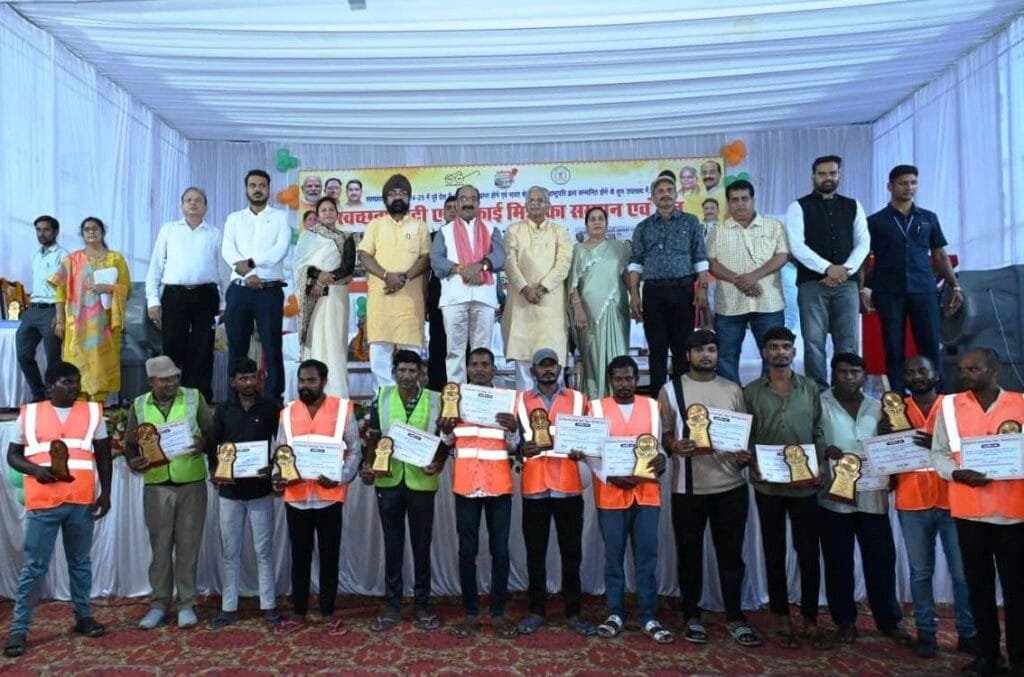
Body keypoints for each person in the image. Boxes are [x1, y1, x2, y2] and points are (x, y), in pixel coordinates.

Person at [658, 329, 760, 647]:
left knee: (731, 557)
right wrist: (674, 445)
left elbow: (742, 436)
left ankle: (735, 617)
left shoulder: (733, 389)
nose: (707, 355)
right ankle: (691, 616)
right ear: (688, 355)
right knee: (689, 556)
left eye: (712, 350)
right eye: (700, 350)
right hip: (688, 488)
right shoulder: (671, 389)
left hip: (731, 486)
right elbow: (664, 434)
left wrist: (744, 456)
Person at [3, 362, 111, 658]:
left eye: (76, 381)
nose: (75, 387)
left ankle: (83, 616)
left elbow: (104, 455)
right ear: (50, 386)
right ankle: (19, 629)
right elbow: (13, 456)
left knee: (80, 562)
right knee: (34, 567)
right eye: (67, 382)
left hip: (80, 500)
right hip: (43, 501)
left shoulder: (92, 413)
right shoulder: (29, 414)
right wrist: (35, 470)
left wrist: (106, 493)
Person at [930, 348, 1024, 676]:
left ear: (994, 370)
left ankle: (1019, 659)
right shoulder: (950, 406)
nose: (965, 374)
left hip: (1014, 515)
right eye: (962, 369)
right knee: (978, 589)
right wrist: (957, 473)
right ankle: (988, 656)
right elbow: (938, 454)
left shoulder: (1020, 404)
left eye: (974, 369)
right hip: (969, 515)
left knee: (1017, 592)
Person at [743, 326, 830, 649]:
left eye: (785, 346)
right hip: (768, 486)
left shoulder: (810, 388)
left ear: (794, 352)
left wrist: (820, 463)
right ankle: (781, 616)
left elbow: (819, 429)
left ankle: (810, 618)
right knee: (774, 551)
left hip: (805, 485)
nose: (780, 352)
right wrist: (752, 461)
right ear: (764, 352)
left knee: (808, 552)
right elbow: (746, 435)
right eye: (773, 346)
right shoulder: (751, 392)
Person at [884, 355, 975, 658]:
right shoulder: (894, 408)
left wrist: (938, 443)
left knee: (961, 573)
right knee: (920, 573)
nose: (917, 376)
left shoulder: (954, 405)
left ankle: (968, 633)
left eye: (922, 370)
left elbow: (970, 444)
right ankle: (926, 632)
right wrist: (884, 442)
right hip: (912, 502)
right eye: (910, 372)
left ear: (935, 374)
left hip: (952, 500)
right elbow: (885, 455)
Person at [818, 353, 909, 644]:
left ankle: (889, 620)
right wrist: (823, 449)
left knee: (881, 561)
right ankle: (844, 621)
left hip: (873, 496)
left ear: (863, 375)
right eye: (843, 371)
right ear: (833, 373)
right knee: (838, 563)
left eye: (855, 372)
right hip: (834, 498)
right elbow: (810, 437)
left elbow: (892, 445)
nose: (849, 377)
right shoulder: (819, 403)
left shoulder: (878, 406)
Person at [360, 350, 451, 632]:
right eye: (402, 370)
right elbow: (375, 435)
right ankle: (392, 605)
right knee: (393, 545)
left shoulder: (436, 399)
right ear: (394, 372)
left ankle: (422, 605)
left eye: (412, 371)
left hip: (422, 482)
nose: (407, 376)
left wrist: (440, 462)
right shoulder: (382, 396)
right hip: (388, 482)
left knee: (422, 546)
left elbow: (446, 438)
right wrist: (368, 464)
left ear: (421, 373)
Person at [124, 356, 213, 629]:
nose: (172, 383)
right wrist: (133, 461)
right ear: (151, 381)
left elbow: (212, 433)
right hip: (157, 484)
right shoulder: (139, 404)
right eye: (164, 380)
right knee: (160, 549)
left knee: (188, 547)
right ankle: (159, 604)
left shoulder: (194, 397)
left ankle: (187, 604)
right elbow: (130, 443)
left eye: (174, 377)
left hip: (191, 483)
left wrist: (203, 444)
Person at [272, 359, 361, 635]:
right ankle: (299, 611)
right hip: (296, 496)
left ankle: (328, 611)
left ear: (323, 381)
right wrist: (278, 475)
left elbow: (355, 451)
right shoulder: (288, 411)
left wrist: (340, 477)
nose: (305, 385)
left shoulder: (342, 409)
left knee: (329, 556)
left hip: (328, 496)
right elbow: (280, 450)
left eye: (311, 380)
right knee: (299, 556)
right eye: (301, 380)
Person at [587, 355, 671, 643]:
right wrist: (608, 476)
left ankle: (648, 615)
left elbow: (658, 447)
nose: (624, 384)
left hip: (646, 494)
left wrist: (662, 458)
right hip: (610, 493)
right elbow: (591, 452)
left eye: (629, 378)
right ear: (610, 380)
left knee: (647, 556)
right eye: (618, 379)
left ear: (637, 379)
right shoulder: (596, 408)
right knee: (613, 558)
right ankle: (615, 612)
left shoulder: (653, 407)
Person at [515, 348, 595, 637]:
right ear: (533, 371)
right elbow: (512, 441)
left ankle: (574, 612)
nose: (548, 370)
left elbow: (592, 436)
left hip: (568, 486)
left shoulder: (579, 399)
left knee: (571, 553)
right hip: (535, 486)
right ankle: (536, 611)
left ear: (560, 368)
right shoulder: (520, 401)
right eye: (542, 366)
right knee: (535, 554)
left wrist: (584, 450)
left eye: (552, 365)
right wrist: (520, 449)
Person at [863, 164, 963, 393]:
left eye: (913, 183)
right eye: (903, 183)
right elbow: (863, 259)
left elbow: (939, 254)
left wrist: (955, 286)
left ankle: (936, 396)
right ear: (890, 186)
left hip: (924, 289)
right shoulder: (875, 221)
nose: (909, 187)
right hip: (888, 291)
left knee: (930, 344)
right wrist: (862, 289)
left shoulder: (928, 218)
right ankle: (897, 400)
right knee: (893, 347)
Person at [448, 347, 520, 640]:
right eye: (474, 364)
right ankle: (470, 613)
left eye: (484, 364)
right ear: (467, 368)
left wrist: (513, 429)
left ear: (494, 369)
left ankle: (498, 612)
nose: (479, 369)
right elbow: (448, 441)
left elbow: (514, 446)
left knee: (500, 552)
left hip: (498, 485)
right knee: (467, 551)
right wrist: (445, 428)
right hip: (466, 484)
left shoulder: (507, 400)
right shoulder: (455, 399)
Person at [206, 358, 282, 629]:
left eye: (253, 377)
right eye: (243, 378)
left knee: (264, 551)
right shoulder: (224, 410)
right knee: (230, 552)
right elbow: (213, 445)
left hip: (261, 490)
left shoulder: (270, 407)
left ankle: (269, 606)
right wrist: (216, 471)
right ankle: (229, 607)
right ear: (232, 382)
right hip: (230, 492)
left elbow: (281, 445)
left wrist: (273, 468)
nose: (249, 383)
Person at [784, 155, 870, 389]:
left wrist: (845, 270)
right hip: (812, 284)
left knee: (848, 342)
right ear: (813, 177)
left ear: (839, 175)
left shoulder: (853, 205)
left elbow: (863, 242)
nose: (828, 178)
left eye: (832, 173)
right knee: (813, 342)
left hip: (847, 283)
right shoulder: (798, 206)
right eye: (822, 174)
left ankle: (847, 390)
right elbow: (796, 246)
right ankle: (818, 392)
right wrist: (827, 268)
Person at [627, 174, 710, 395]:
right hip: (653, 293)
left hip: (683, 291)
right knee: (657, 349)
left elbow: (700, 257)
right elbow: (635, 262)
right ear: (653, 198)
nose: (665, 194)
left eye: (669, 190)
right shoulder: (643, 227)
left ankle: (682, 399)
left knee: (683, 348)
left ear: (676, 194)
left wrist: (702, 289)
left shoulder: (690, 222)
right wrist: (634, 294)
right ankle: (658, 399)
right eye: (660, 191)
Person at [707, 180, 789, 385]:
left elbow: (782, 256)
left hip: (768, 303)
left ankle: (766, 397)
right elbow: (712, 264)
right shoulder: (718, 230)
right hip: (730, 305)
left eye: (744, 198)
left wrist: (753, 276)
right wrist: (738, 280)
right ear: (728, 204)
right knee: (726, 356)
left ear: (753, 200)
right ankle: (733, 400)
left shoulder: (773, 226)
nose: (740, 204)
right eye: (734, 200)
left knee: (773, 355)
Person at [222, 169, 292, 401]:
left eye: (262, 185)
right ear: (246, 189)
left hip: (268, 291)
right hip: (239, 290)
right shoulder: (234, 218)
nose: (258, 189)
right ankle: (235, 399)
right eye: (253, 185)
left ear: (268, 189)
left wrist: (250, 264)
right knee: (237, 347)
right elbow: (227, 250)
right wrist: (248, 273)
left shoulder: (281, 217)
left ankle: (273, 399)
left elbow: (280, 249)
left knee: (272, 347)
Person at [146, 187, 222, 401]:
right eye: (188, 200)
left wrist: (224, 302)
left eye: (198, 200)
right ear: (182, 206)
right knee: (172, 347)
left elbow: (223, 270)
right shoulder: (168, 230)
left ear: (205, 206)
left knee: (203, 349)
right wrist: (153, 301)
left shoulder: (214, 234)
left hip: (205, 295)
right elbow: (155, 268)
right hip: (174, 296)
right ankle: (168, 399)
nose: (193, 203)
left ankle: (200, 401)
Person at [358, 174, 431, 388]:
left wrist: (403, 278)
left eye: (402, 193)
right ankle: (384, 403)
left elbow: (426, 258)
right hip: (381, 304)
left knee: (411, 359)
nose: (397, 197)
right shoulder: (375, 225)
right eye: (392, 193)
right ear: (385, 199)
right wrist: (385, 276)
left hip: (410, 304)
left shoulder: (420, 226)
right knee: (379, 361)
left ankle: (411, 403)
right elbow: (364, 255)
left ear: (409, 198)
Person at [431, 185, 506, 384]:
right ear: (457, 204)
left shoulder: (492, 229)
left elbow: (500, 256)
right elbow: (436, 260)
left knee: (482, 352)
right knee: (454, 351)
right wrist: (460, 269)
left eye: (473, 199)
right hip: (454, 299)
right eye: (463, 199)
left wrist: (481, 266)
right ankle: (456, 396)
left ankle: (480, 395)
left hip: (484, 298)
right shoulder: (444, 232)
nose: (468, 203)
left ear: (478, 204)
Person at [50, 217, 131, 403]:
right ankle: (79, 413)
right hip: (77, 327)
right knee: (76, 369)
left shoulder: (116, 259)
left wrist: (109, 288)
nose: (91, 232)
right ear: (82, 234)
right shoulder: (71, 260)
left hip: (104, 327)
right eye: (87, 229)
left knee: (101, 369)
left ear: (103, 232)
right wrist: (60, 320)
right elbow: (60, 293)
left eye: (95, 228)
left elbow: (127, 288)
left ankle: (97, 412)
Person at [502, 186, 573, 390]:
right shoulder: (513, 230)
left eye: (540, 200)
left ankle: (554, 409)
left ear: (548, 205)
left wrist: (542, 289)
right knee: (524, 369)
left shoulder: (560, 232)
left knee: (553, 364)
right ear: (525, 205)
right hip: (521, 307)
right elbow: (509, 262)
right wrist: (525, 289)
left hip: (551, 307)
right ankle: (525, 409)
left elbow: (563, 265)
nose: (535, 204)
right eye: (531, 200)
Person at [294, 196, 356, 397]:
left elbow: (348, 268)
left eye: (331, 209)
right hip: (314, 295)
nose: (328, 213)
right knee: (317, 341)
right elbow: (300, 267)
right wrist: (317, 275)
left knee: (335, 343)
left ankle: (337, 394)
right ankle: (314, 391)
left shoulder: (346, 237)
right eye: (323, 210)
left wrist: (325, 279)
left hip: (336, 294)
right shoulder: (308, 237)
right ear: (318, 215)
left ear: (337, 213)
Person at [568, 206, 630, 399]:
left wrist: (636, 298)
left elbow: (627, 276)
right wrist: (577, 308)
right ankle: (595, 401)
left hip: (615, 309)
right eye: (592, 219)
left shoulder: (619, 248)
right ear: (586, 225)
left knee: (618, 357)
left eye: (600, 219)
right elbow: (572, 283)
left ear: (607, 224)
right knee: (592, 358)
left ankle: (618, 399)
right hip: (587, 313)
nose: (596, 222)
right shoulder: (578, 250)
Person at [16, 215, 67, 403]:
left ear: (55, 231)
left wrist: (60, 316)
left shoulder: (64, 256)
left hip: (52, 310)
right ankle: (39, 395)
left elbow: (64, 287)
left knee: (53, 358)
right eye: (38, 230)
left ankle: (54, 398)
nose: (41, 234)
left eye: (46, 229)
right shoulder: (36, 255)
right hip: (33, 309)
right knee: (23, 354)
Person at [425, 195, 457, 390]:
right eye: (449, 208)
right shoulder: (433, 237)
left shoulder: (471, 237)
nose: (453, 210)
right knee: (438, 346)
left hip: (463, 301)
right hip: (438, 301)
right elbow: (425, 272)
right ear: (443, 213)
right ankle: (436, 392)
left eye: (456, 207)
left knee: (461, 348)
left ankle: (463, 393)